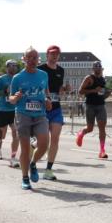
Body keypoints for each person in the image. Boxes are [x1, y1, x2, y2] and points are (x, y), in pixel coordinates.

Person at [8, 48, 50, 190]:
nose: (32, 60)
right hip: (23, 114)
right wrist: (16, 97)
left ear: (38, 59)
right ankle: (25, 178)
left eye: (35, 58)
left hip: (40, 114)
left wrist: (48, 100)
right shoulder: (17, 78)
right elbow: (11, 98)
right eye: (29, 57)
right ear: (24, 59)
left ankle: (33, 163)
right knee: (25, 149)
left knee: (44, 144)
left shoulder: (44, 75)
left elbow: (46, 93)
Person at [37, 45, 71, 180]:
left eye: (57, 54)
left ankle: (48, 170)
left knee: (55, 138)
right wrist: (44, 98)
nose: (54, 56)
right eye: (52, 54)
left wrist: (65, 89)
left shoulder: (61, 70)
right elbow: (36, 87)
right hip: (42, 108)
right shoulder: (40, 69)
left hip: (56, 108)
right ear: (47, 55)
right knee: (44, 141)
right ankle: (33, 156)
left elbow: (58, 90)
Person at [76, 61, 110, 158]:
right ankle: (81, 133)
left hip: (101, 105)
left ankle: (102, 151)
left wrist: (107, 94)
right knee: (90, 128)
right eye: (96, 66)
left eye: (99, 66)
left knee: (102, 128)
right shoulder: (89, 78)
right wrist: (94, 90)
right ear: (93, 68)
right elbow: (80, 91)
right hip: (90, 105)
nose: (98, 68)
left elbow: (103, 94)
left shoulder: (103, 80)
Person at [0, 60, 20, 166]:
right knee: (1, 136)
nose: (15, 67)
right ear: (7, 67)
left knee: (16, 133)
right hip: (3, 109)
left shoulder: (17, 78)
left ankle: (13, 158)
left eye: (16, 66)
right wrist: (4, 92)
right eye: (13, 66)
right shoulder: (1, 79)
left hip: (15, 110)